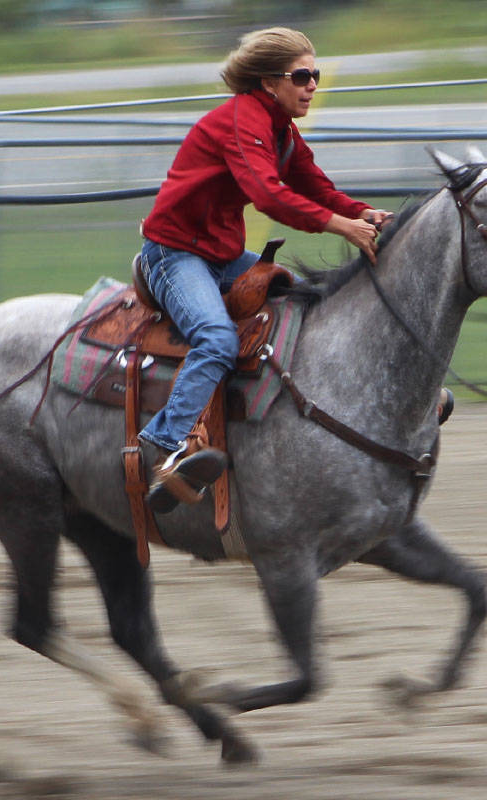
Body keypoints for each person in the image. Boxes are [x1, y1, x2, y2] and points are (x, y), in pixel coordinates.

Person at [137, 26, 392, 513]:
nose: (313, 84)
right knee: (216, 339)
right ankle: (164, 447)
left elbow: (317, 188)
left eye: (314, 74)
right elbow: (269, 195)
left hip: (220, 255)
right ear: (268, 82)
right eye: (301, 76)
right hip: (173, 256)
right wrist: (343, 227)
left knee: (309, 306)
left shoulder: (281, 130)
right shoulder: (241, 121)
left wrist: (363, 213)